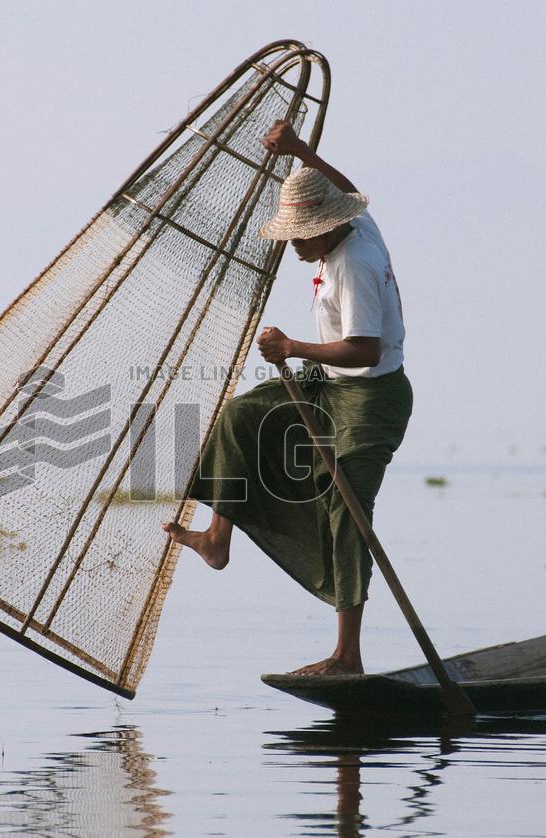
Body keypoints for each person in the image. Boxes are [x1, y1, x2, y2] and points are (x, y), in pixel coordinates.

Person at [162, 120, 413, 676]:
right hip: (331, 387)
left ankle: (347, 656)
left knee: (346, 509)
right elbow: (344, 187)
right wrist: (300, 151)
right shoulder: (357, 226)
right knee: (242, 415)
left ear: (327, 230)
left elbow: (366, 350)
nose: (294, 244)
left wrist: (293, 346)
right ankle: (216, 540)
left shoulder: (356, 266)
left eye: (301, 235)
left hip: (371, 400)